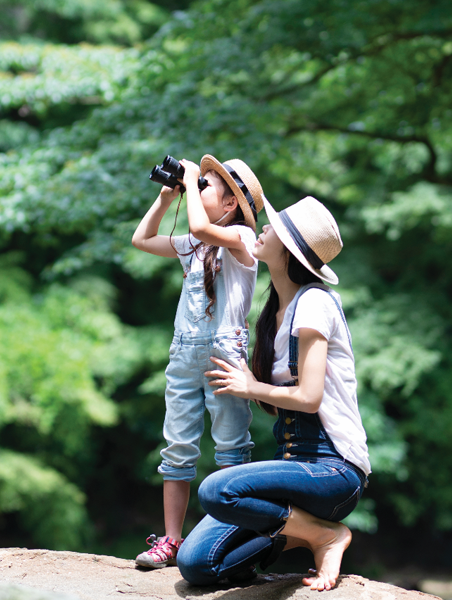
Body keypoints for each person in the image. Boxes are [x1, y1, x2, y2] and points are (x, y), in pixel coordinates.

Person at [175, 196, 370, 592]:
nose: (263, 228)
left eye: (273, 229)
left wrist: (251, 386)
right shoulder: (273, 311)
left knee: (217, 489)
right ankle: (299, 532)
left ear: (290, 251)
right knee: (197, 564)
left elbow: (310, 398)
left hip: (332, 470)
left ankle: (325, 536)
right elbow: (274, 401)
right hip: (294, 468)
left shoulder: (314, 302)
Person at [130, 155, 266, 569]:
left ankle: (227, 535)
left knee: (230, 448)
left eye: (206, 186)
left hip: (224, 355)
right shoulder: (196, 244)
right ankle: (171, 540)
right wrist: (166, 198)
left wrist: (190, 179)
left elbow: (200, 227)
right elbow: (142, 239)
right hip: (184, 354)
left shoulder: (242, 237)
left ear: (230, 205)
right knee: (177, 447)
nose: (197, 188)